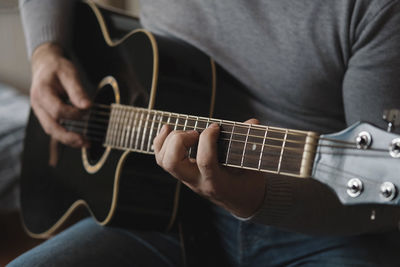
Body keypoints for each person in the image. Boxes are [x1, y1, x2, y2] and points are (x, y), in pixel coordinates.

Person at [10, 0, 400, 266]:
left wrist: (257, 198)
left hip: (320, 226)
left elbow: (382, 200)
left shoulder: (377, 9)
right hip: (158, 207)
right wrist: (47, 50)